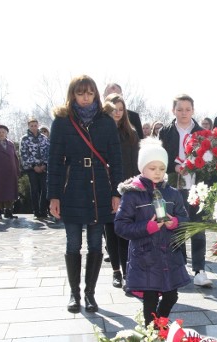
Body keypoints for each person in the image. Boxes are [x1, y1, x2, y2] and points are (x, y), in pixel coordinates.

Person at [48, 75, 123, 313]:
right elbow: (55, 161)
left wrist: (116, 192)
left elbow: (116, 160)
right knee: (73, 243)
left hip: (99, 185)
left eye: (90, 93)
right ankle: (74, 293)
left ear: (96, 94)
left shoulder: (106, 121)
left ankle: (90, 294)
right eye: (80, 93)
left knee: (95, 244)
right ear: (72, 94)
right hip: (72, 187)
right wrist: (54, 196)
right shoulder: (62, 121)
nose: (85, 97)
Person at [114, 139, 189, 326]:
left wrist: (175, 223)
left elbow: (184, 219)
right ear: (142, 168)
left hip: (169, 255)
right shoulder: (132, 194)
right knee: (150, 299)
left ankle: (159, 324)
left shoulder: (172, 193)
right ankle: (151, 331)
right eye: (152, 168)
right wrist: (147, 227)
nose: (157, 173)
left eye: (162, 168)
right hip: (145, 257)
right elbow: (121, 226)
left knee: (171, 296)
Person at [158, 94, 212, 287]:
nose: (183, 113)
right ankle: (179, 266)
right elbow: (161, 157)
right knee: (177, 227)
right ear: (174, 110)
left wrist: (197, 166)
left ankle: (199, 270)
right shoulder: (165, 132)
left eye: (187, 109)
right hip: (174, 186)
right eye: (179, 109)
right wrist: (175, 167)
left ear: (193, 110)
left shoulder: (201, 132)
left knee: (198, 228)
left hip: (197, 186)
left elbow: (209, 160)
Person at [103, 93, 140, 289]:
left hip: (127, 188)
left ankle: (128, 272)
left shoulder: (131, 133)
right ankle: (116, 271)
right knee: (111, 232)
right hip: (107, 188)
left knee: (126, 233)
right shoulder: (100, 131)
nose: (117, 113)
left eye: (121, 109)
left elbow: (135, 164)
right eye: (113, 109)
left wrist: (135, 187)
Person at [19, 117, 50, 220]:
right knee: (35, 189)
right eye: (31, 126)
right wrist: (33, 166)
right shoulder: (25, 139)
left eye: (35, 125)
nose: (34, 127)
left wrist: (44, 164)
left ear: (38, 125)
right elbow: (23, 154)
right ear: (28, 126)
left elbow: (48, 152)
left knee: (45, 189)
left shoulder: (44, 138)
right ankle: (36, 211)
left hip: (43, 167)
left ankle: (43, 210)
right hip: (31, 168)